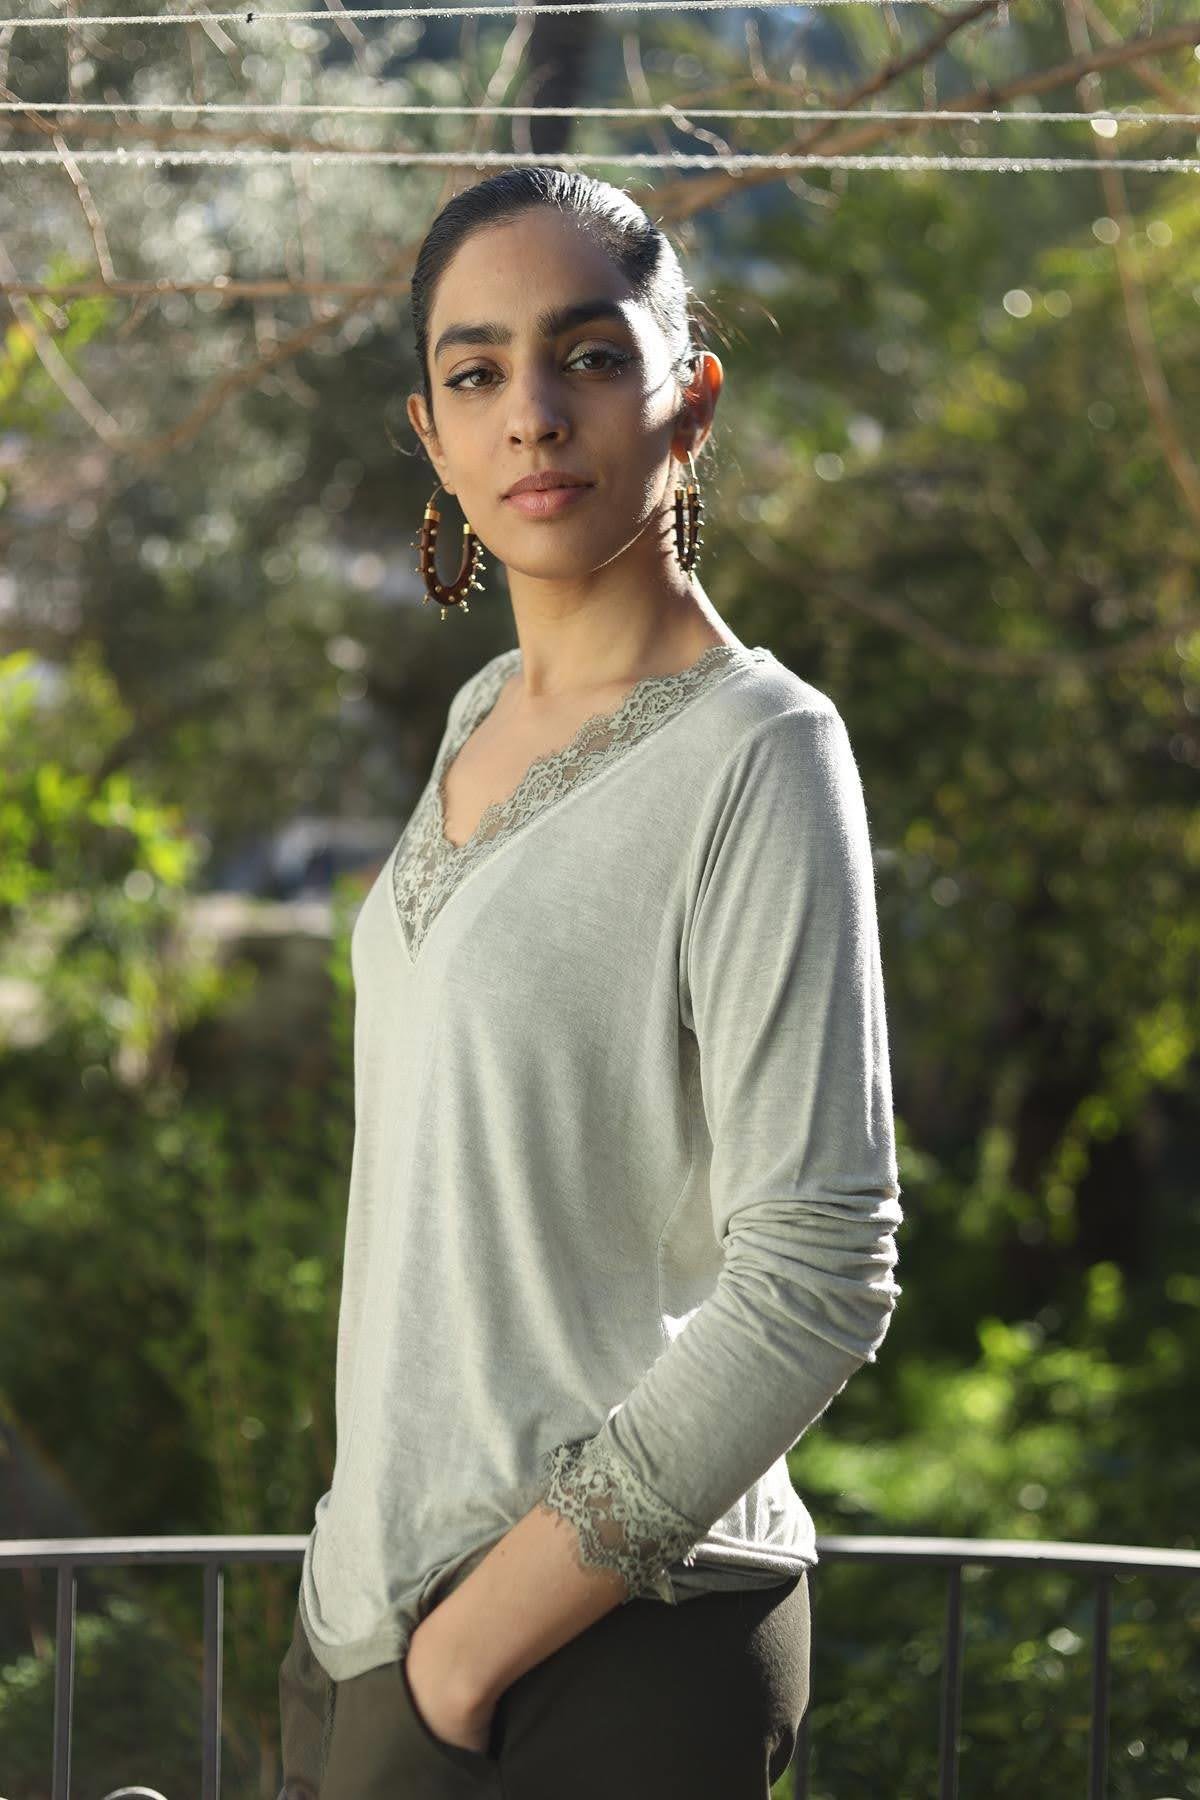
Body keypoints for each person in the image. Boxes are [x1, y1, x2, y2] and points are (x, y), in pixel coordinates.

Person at [278, 164, 904, 1799]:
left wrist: (470, 1656)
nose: (533, 415)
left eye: (591, 357)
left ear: (690, 400)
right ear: (431, 436)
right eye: (478, 372)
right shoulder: (478, 713)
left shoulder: (764, 751)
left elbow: (823, 1270)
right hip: (372, 1617)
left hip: (604, 1644)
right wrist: (381, 1623)